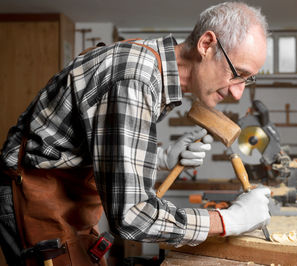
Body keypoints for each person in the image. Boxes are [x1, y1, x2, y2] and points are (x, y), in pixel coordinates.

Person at [0, 1, 271, 265]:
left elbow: (99, 145)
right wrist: (230, 220)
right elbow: (132, 216)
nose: (238, 92)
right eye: (238, 73)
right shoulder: (136, 78)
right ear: (206, 45)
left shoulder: (151, 66)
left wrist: (163, 157)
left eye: (248, 79)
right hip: (33, 197)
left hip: (63, 199)